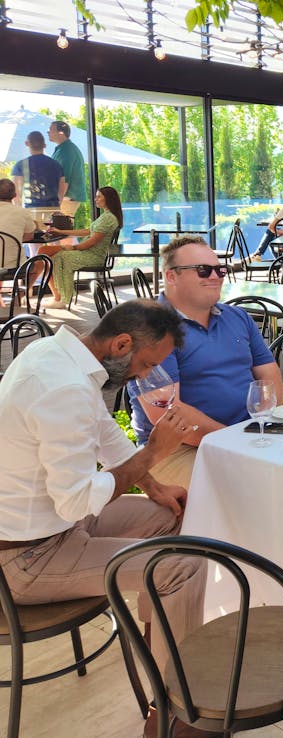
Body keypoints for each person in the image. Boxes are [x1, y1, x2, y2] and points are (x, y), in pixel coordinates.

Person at [0, 299, 206, 702]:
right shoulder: (65, 389)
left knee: (174, 514)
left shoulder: (55, 354)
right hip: (26, 558)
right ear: (122, 344)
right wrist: (153, 453)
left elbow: (104, 432)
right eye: (146, 364)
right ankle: (180, 708)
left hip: (52, 527)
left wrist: (154, 486)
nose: (145, 375)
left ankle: (160, 648)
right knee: (182, 565)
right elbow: (76, 502)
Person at [128, 235, 283, 488]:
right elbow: (166, 413)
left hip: (248, 434)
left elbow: (269, 375)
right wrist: (232, 440)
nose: (216, 276)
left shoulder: (238, 317)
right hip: (175, 449)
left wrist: (263, 422)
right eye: (203, 270)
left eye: (220, 269)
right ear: (171, 276)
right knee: (250, 489)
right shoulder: (151, 329)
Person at [38, 185, 122, 309]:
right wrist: (62, 232)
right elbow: (88, 231)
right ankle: (60, 296)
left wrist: (71, 247)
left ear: (108, 199)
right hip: (90, 253)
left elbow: (92, 242)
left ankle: (61, 297)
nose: (95, 199)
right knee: (47, 254)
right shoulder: (106, 216)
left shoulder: (108, 218)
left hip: (94, 256)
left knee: (55, 256)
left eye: (99, 197)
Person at [11, 130, 66, 226]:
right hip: (53, 208)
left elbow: (16, 192)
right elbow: (63, 186)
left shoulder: (21, 165)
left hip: (30, 209)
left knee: (34, 238)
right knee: (54, 237)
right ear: (44, 145)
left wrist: (19, 210)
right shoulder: (56, 165)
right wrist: (58, 203)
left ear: (27, 143)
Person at [0, 177, 36, 307]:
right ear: (15, 195)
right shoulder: (22, 212)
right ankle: (19, 298)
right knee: (37, 263)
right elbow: (29, 235)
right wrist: (12, 237)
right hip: (14, 267)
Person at [48, 120, 87, 218]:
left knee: (62, 229)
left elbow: (64, 180)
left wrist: (57, 203)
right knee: (61, 229)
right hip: (66, 198)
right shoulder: (63, 149)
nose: (48, 132)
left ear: (61, 133)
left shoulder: (66, 151)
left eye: (51, 130)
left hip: (67, 198)